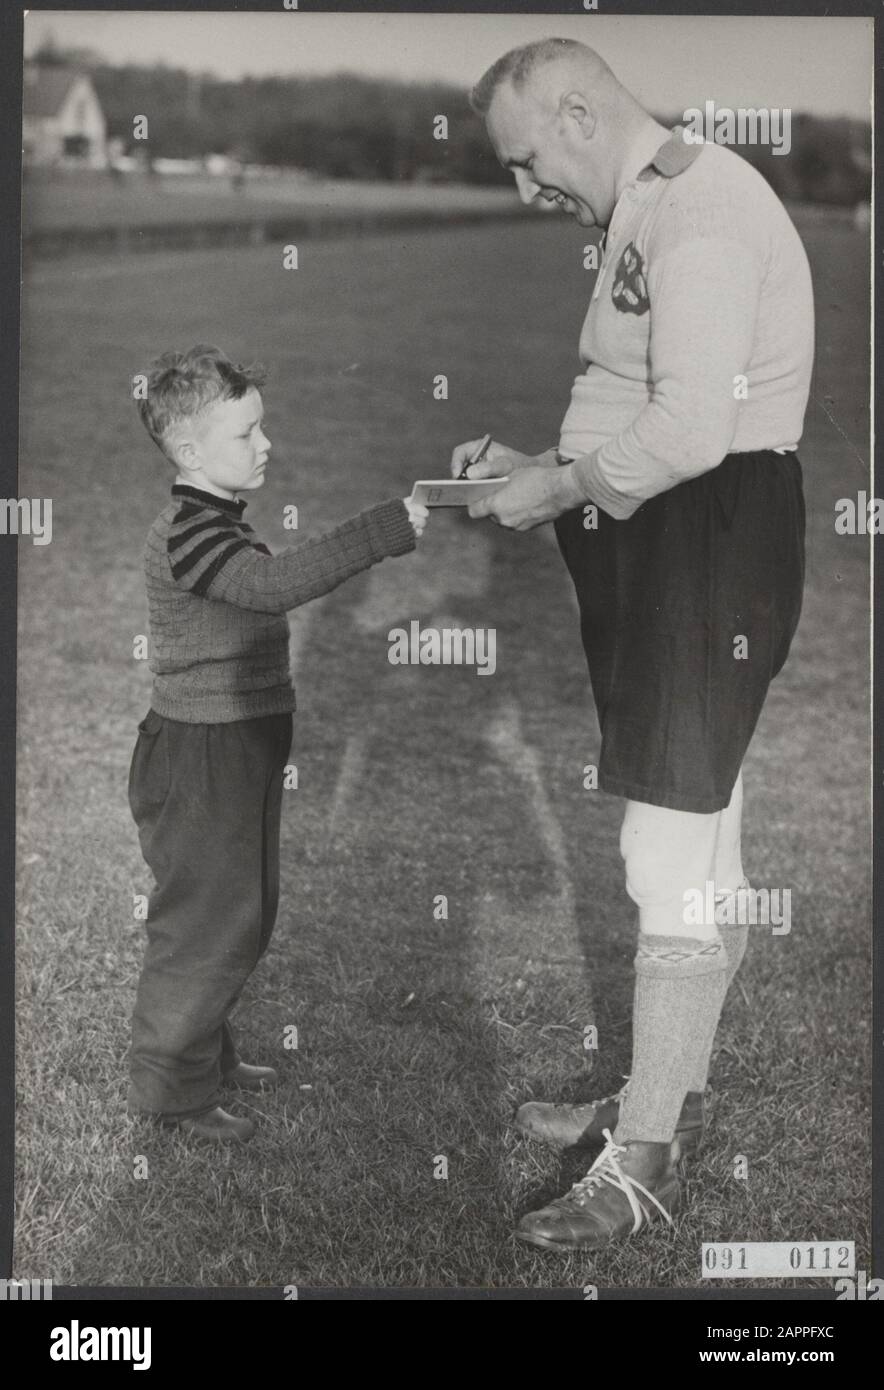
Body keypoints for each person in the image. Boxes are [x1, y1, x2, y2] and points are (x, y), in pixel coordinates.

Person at [451, 38, 813, 1251]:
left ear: (575, 109)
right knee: (700, 831)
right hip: (668, 538)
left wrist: (557, 491)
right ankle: (659, 1095)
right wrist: (537, 468)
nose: (524, 192)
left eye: (526, 162)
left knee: (663, 840)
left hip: (698, 538)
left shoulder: (701, 205)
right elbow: (631, 392)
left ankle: (642, 1154)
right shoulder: (652, 196)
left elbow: (692, 430)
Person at [128, 343, 427, 1143]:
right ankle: (173, 1093)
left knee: (244, 915)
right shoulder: (188, 533)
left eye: (264, 428)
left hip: (237, 750)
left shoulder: (216, 520)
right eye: (246, 435)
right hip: (201, 757)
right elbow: (271, 587)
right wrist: (383, 529)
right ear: (190, 452)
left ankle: (207, 1057)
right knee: (205, 924)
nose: (267, 447)